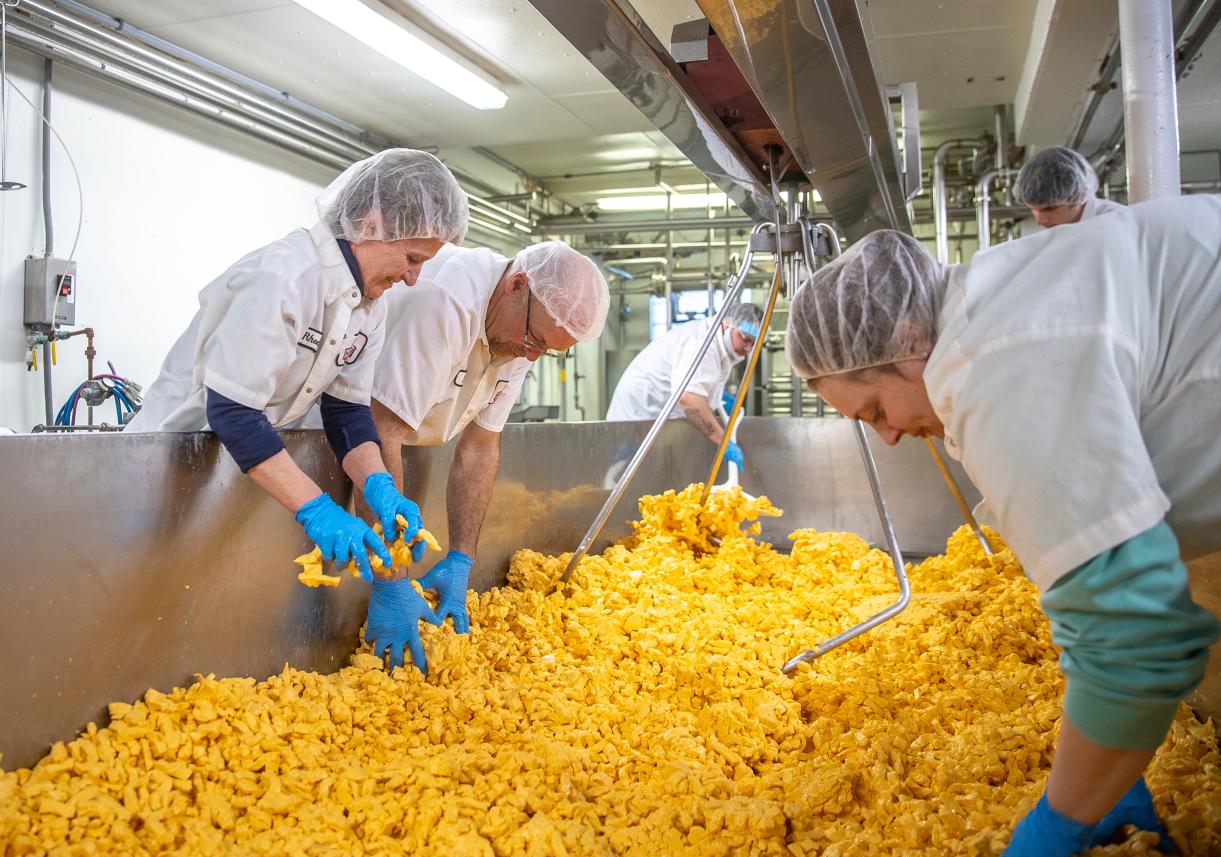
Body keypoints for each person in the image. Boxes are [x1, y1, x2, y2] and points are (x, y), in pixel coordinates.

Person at [783, 200, 1221, 857]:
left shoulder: (993, 367)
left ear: (908, 347)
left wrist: (1060, 821)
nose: (887, 437)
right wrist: (1109, 760)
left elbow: (1136, 637)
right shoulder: (995, 305)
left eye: (876, 409)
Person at [128, 150, 469, 659]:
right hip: (159, 469)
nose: (415, 278)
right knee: (139, 608)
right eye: (413, 258)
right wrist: (319, 511)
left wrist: (380, 489)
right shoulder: (284, 276)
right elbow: (233, 412)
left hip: (236, 468)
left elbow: (347, 413)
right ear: (372, 224)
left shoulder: (367, 305)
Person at [335, 240, 608, 662]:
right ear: (517, 285)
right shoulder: (448, 301)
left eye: (547, 352)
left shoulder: (515, 335)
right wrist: (392, 579)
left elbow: (481, 447)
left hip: (382, 454)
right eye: (534, 340)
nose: (532, 356)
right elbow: (380, 432)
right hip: (331, 446)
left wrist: (463, 556)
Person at [606, 302, 762, 471]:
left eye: (753, 344)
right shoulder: (704, 342)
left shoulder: (720, 345)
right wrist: (724, 442)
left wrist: (717, 398)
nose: (747, 348)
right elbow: (689, 399)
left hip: (657, 422)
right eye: (745, 339)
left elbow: (697, 383)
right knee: (627, 479)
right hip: (639, 417)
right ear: (727, 323)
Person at [1014, 146, 1125, 228]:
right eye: (1033, 209)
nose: (1039, 220)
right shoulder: (1064, 229)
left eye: (1049, 208)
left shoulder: (1116, 224)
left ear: (1080, 195)